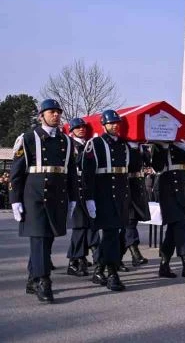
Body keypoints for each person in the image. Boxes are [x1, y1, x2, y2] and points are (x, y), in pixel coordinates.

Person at [10, 99, 79, 303]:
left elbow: (71, 173)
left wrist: (73, 198)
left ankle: (32, 278)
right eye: (51, 112)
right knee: (39, 238)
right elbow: (16, 172)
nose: (55, 115)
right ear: (41, 116)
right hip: (34, 196)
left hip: (57, 197)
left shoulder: (66, 141)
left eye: (58, 112)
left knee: (47, 238)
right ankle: (43, 281)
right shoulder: (28, 138)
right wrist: (15, 199)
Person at [82, 109, 143, 292]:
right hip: (104, 197)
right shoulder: (95, 144)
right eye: (111, 123)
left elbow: (134, 168)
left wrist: (136, 149)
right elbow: (87, 174)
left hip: (122, 197)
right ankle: (112, 274)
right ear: (104, 125)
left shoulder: (124, 145)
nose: (115, 126)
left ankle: (99, 269)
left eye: (117, 123)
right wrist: (89, 199)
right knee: (110, 236)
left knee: (118, 236)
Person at [150, 139, 185, 279]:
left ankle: (164, 265)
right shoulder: (159, 145)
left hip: (184, 189)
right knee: (179, 223)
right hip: (167, 189)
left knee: (173, 229)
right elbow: (157, 167)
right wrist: (162, 148)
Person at [66, 117, 100, 277]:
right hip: (76, 189)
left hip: (90, 189)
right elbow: (74, 164)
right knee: (79, 227)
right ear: (72, 130)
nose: (81, 129)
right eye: (78, 127)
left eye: (83, 127)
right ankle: (75, 261)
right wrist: (86, 147)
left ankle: (85, 257)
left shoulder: (89, 145)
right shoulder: (69, 145)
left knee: (90, 225)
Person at [121, 142, 151, 269]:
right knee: (130, 222)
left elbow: (149, 162)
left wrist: (143, 149)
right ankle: (135, 252)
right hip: (124, 185)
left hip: (137, 187)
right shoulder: (123, 145)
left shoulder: (141, 147)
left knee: (127, 225)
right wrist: (133, 148)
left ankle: (111, 259)